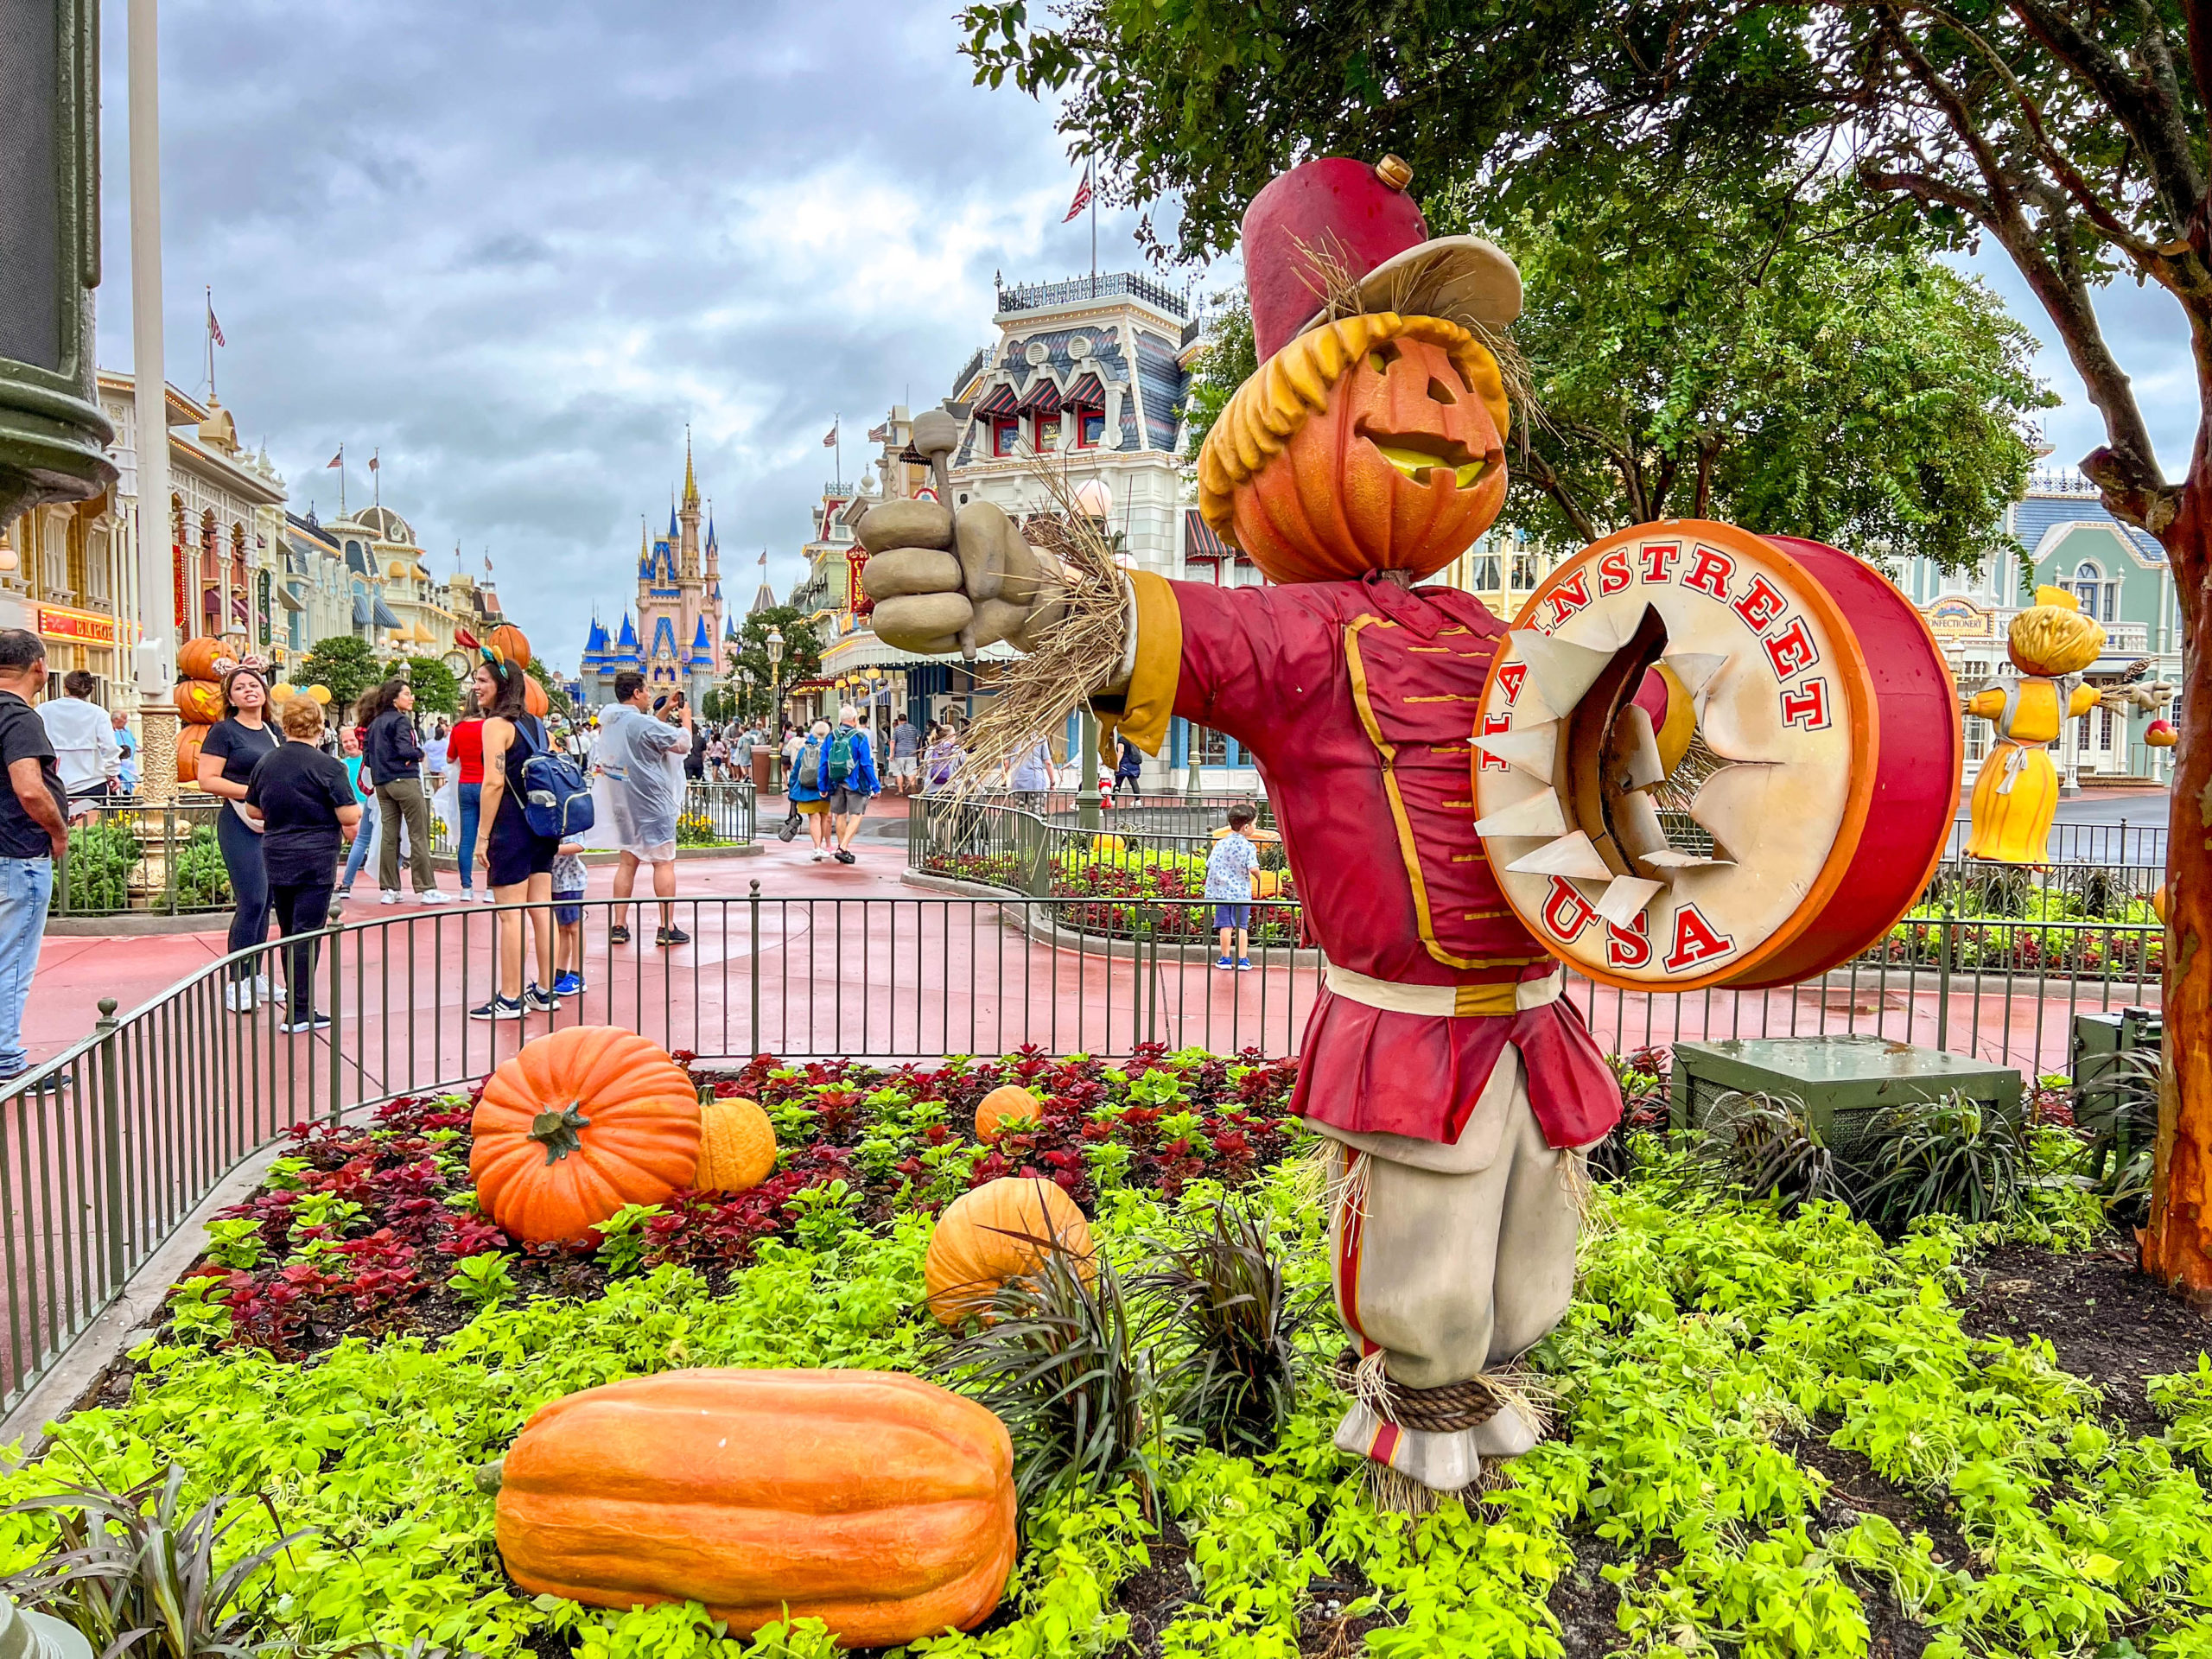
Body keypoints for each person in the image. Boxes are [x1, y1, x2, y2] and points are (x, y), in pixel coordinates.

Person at [243, 696, 360, 1033]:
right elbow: (348, 814)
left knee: (288, 930)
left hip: (277, 853)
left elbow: (253, 810)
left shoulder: (266, 762)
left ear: (284, 724)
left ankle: (295, 1005)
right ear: (320, 727)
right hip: (315, 856)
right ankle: (300, 1010)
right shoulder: (329, 766)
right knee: (308, 932)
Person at [468, 652, 563, 1018]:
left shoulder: (496, 725)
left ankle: (510, 997)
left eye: (483, 681)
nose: (476, 687)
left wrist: (482, 836)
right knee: (541, 909)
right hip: (541, 826)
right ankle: (545, 989)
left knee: (511, 915)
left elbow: (493, 782)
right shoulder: (537, 725)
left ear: (501, 686)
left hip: (511, 825)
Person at [0, 632, 70, 1090]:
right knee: (12, 961)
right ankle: (6, 1061)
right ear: (39, 667)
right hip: (18, 853)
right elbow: (28, 787)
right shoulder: (19, 717)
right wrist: (58, 830)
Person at [196, 662, 283, 1010]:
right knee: (252, 899)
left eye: (254, 684)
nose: (249, 690)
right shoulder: (223, 732)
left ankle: (256, 973)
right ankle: (237, 980)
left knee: (267, 903)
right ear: (230, 698)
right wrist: (250, 791)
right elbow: (207, 779)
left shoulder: (273, 731)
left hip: (271, 824)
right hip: (239, 823)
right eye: (240, 687)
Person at [595, 671, 690, 946]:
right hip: (652, 802)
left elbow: (645, 733)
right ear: (637, 693)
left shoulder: (612, 720)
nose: (649, 695)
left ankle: (619, 925)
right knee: (663, 862)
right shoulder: (640, 722)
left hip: (624, 801)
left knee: (627, 862)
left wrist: (664, 712)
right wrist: (684, 720)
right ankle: (666, 926)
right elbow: (681, 744)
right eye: (647, 690)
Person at [360, 679, 448, 905]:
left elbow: (367, 757)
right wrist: (418, 754)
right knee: (417, 832)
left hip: (382, 783)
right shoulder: (400, 722)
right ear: (394, 698)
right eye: (407, 694)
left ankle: (391, 888)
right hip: (404, 779)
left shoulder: (374, 724)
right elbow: (404, 748)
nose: (411, 698)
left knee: (389, 835)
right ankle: (426, 887)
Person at [39, 670, 121, 817]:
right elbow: (109, 748)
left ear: (65, 688)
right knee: (89, 835)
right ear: (89, 691)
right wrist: (112, 773)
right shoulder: (98, 713)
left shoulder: (43, 710)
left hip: (54, 783)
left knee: (56, 833)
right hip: (91, 783)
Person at [1205, 805, 1262, 970]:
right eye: (1255, 824)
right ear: (1246, 827)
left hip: (1222, 893)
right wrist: (1259, 876)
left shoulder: (1220, 844)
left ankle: (1225, 958)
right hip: (1242, 894)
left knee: (1225, 926)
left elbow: (1210, 864)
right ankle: (1243, 960)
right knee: (1241, 926)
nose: (1255, 828)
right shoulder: (1248, 847)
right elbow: (1253, 868)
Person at [825, 704, 880, 865]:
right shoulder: (860, 737)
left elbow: (824, 762)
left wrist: (823, 785)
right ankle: (843, 848)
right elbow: (866, 764)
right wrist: (875, 785)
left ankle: (844, 848)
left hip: (835, 780)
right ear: (854, 720)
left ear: (841, 719)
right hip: (855, 781)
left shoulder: (831, 737)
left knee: (840, 815)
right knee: (857, 814)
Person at [447, 700, 489, 904]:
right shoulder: (489, 727)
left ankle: (466, 887)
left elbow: (449, 758)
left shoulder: (458, 729)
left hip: (465, 783)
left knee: (467, 838)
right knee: (491, 835)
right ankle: (491, 887)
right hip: (487, 784)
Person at [335, 727, 378, 904]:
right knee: (357, 833)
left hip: (370, 800)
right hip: (353, 805)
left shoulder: (368, 759)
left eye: (352, 740)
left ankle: (391, 884)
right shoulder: (341, 765)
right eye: (345, 742)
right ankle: (347, 882)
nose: (350, 744)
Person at [788, 718, 835, 859]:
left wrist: (791, 787)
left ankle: (817, 848)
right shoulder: (830, 748)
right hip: (824, 788)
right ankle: (821, 847)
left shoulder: (804, 749)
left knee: (813, 818)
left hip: (806, 788)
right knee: (824, 817)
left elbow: (796, 769)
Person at [550, 837, 588, 997]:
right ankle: (560, 971)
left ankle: (577, 974)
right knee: (561, 929)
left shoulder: (569, 820)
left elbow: (579, 845)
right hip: (553, 882)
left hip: (570, 882)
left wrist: (550, 849)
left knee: (574, 926)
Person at [1007, 734, 1055, 810]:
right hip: (1035, 782)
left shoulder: (1012, 738)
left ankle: (1020, 822)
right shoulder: (1040, 737)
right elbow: (1048, 762)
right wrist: (1052, 783)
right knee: (1036, 814)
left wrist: (1004, 783)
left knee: (1020, 812)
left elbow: (1006, 764)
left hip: (1017, 782)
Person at [887, 714, 922, 796]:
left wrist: (891, 754)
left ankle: (900, 791)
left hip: (899, 754)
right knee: (911, 771)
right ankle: (913, 786)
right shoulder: (913, 728)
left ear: (899, 721)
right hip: (911, 753)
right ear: (906, 719)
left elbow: (893, 742)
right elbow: (918, 738)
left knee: (898, 772)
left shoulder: (897, 729)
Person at [111, 712, 139, 796]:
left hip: (129, 763)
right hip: (116, 765)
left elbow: (133, 742)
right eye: (124, 719)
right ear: (116, 720)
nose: (126, 721)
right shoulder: (109, 731)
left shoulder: (127, 730)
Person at [1114, 734, 1144, 803]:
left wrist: (1117, 762)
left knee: (1118, 782)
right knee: (1133, 781)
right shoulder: (1134, 738)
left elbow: (1121, 751)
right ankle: (1137, 800)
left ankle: (1113, 799)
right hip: (1133, 763)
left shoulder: (1122, 740)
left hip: (1124, 763)